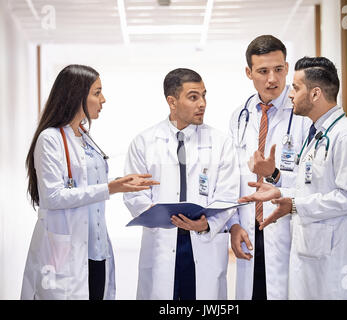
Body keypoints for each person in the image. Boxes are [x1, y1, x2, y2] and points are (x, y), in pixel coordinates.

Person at [21, 64, 159, 300]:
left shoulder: (84, 137)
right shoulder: (51, 139)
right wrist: (111, 188)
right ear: (76, 95)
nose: (103, 99)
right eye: (97, 92)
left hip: (97, 250)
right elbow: (52, 197)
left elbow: (85, 185)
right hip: (65, 253)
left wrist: (120, 183)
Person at [239, 56, 347, 300]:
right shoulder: (318, 136)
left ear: (315, 94)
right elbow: (311, 188)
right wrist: (279, 191)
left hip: (336, 261)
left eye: (296, 88)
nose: (290, 94)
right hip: (311, 254)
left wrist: (294, 204)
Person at [123, 68, 240, 300]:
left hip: (203, 241)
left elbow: (228, 194)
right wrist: (154, 213)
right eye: (194, 97)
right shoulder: (144, 142)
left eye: (204, 96)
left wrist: (206, 225)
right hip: (162, 245)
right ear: (172, 102)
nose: (202, 104)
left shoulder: (221, 143)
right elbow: (134, 195)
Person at [227, 35, 310, 299]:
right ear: (249, 73)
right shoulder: (240, 116)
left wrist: (274, 174)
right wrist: (233, 224)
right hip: (250, 227)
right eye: (263, 71)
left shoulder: (303, 114)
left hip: (286, 226)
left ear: (287, 67)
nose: (272, 79)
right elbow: (232, 177)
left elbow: (313, 179)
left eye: (278, 69)